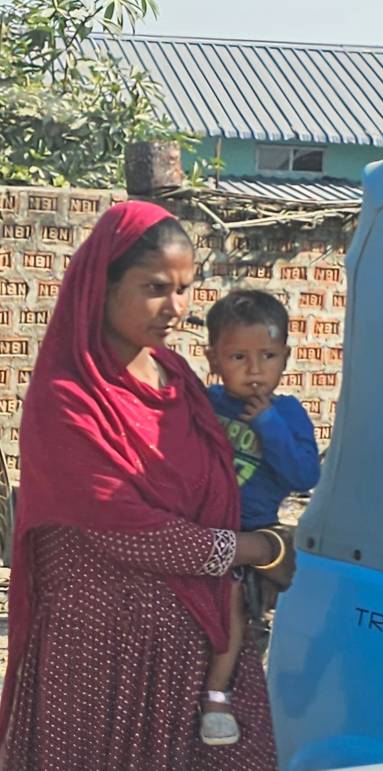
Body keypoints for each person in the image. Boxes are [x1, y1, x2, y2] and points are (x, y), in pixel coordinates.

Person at [0, 201, 295, 771]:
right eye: (156, 287)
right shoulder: (68, 397)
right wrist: (260, 548)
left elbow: (218, 485)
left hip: (193, 655)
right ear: (102, 285)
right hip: (99, 659)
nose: (177, 308)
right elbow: (128, 529)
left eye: (186, 288)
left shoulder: (178, 377)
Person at [199, 289, 320, 746]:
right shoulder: (204, 404)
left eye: (267, 355)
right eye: (238, 356)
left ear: (286, 357)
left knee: (231, 601)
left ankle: (216, 697)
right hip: (198, 527)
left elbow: (304, 474)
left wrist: (269, 426)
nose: (254, 369)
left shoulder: (288, 414)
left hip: (252, 532)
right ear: (213, 359)